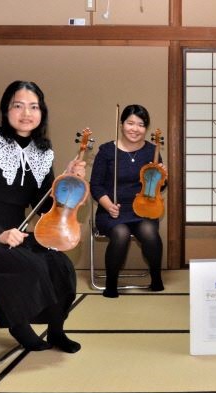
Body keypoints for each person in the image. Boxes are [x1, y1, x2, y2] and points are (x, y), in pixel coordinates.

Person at [0, 80, 85, 353]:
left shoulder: (43, 152)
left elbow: (45, 206)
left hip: (16, 231)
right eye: (18, 105)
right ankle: (19, 326)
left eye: (34, 107)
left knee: (60, 264)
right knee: (27, 265)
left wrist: (66, 182)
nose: (26, 113)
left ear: (42, 112)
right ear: (5, 110)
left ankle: (56, 331)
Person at [89, 104, 166, 298]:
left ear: (146, 128)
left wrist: (162, 177)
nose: (135, 128)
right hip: (112, 210)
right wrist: (108, 205)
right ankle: (111, 283)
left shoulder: (152, 151)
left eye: (140, 124)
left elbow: (158, 187)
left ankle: (156, 277)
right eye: (130, 123)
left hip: (142, 209)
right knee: (121, 233)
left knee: (149, 232)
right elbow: (96, 185)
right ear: (122, 124)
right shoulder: (107, 151)